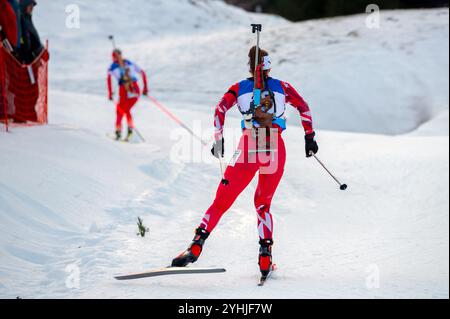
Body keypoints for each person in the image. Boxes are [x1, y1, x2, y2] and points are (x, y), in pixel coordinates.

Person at [171, 46, 319, 277]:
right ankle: (265, 256)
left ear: (250, 67)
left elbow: (220, 109)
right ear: (269, 66)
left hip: (249, 145)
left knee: (221, 201)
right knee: (263, 204)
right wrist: (309, 137)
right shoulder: (283, 87)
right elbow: (304, 107)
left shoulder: (239, 87)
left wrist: (218, 139)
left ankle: (196, 244)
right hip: (274, 147)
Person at [107, 49, 148, 141]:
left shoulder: (113, 67)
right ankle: (129, 132)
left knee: (121, 111)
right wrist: (145, 89)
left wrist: (110, 94)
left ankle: (121, 133)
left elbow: (108, 80)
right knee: (126, 110)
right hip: (135, 89)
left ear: (113, 57)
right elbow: (143, 73)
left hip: (124, 90)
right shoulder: (129, 63)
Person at [18, 0, 43, 64]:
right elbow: (25, 44)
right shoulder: (20, 20)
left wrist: (41, 50)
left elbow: (34, 38)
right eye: (30, 5)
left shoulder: (28, 19)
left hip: (30, 61)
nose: (32, 8)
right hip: (23, 62)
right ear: (24, 5)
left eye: (32, 6)